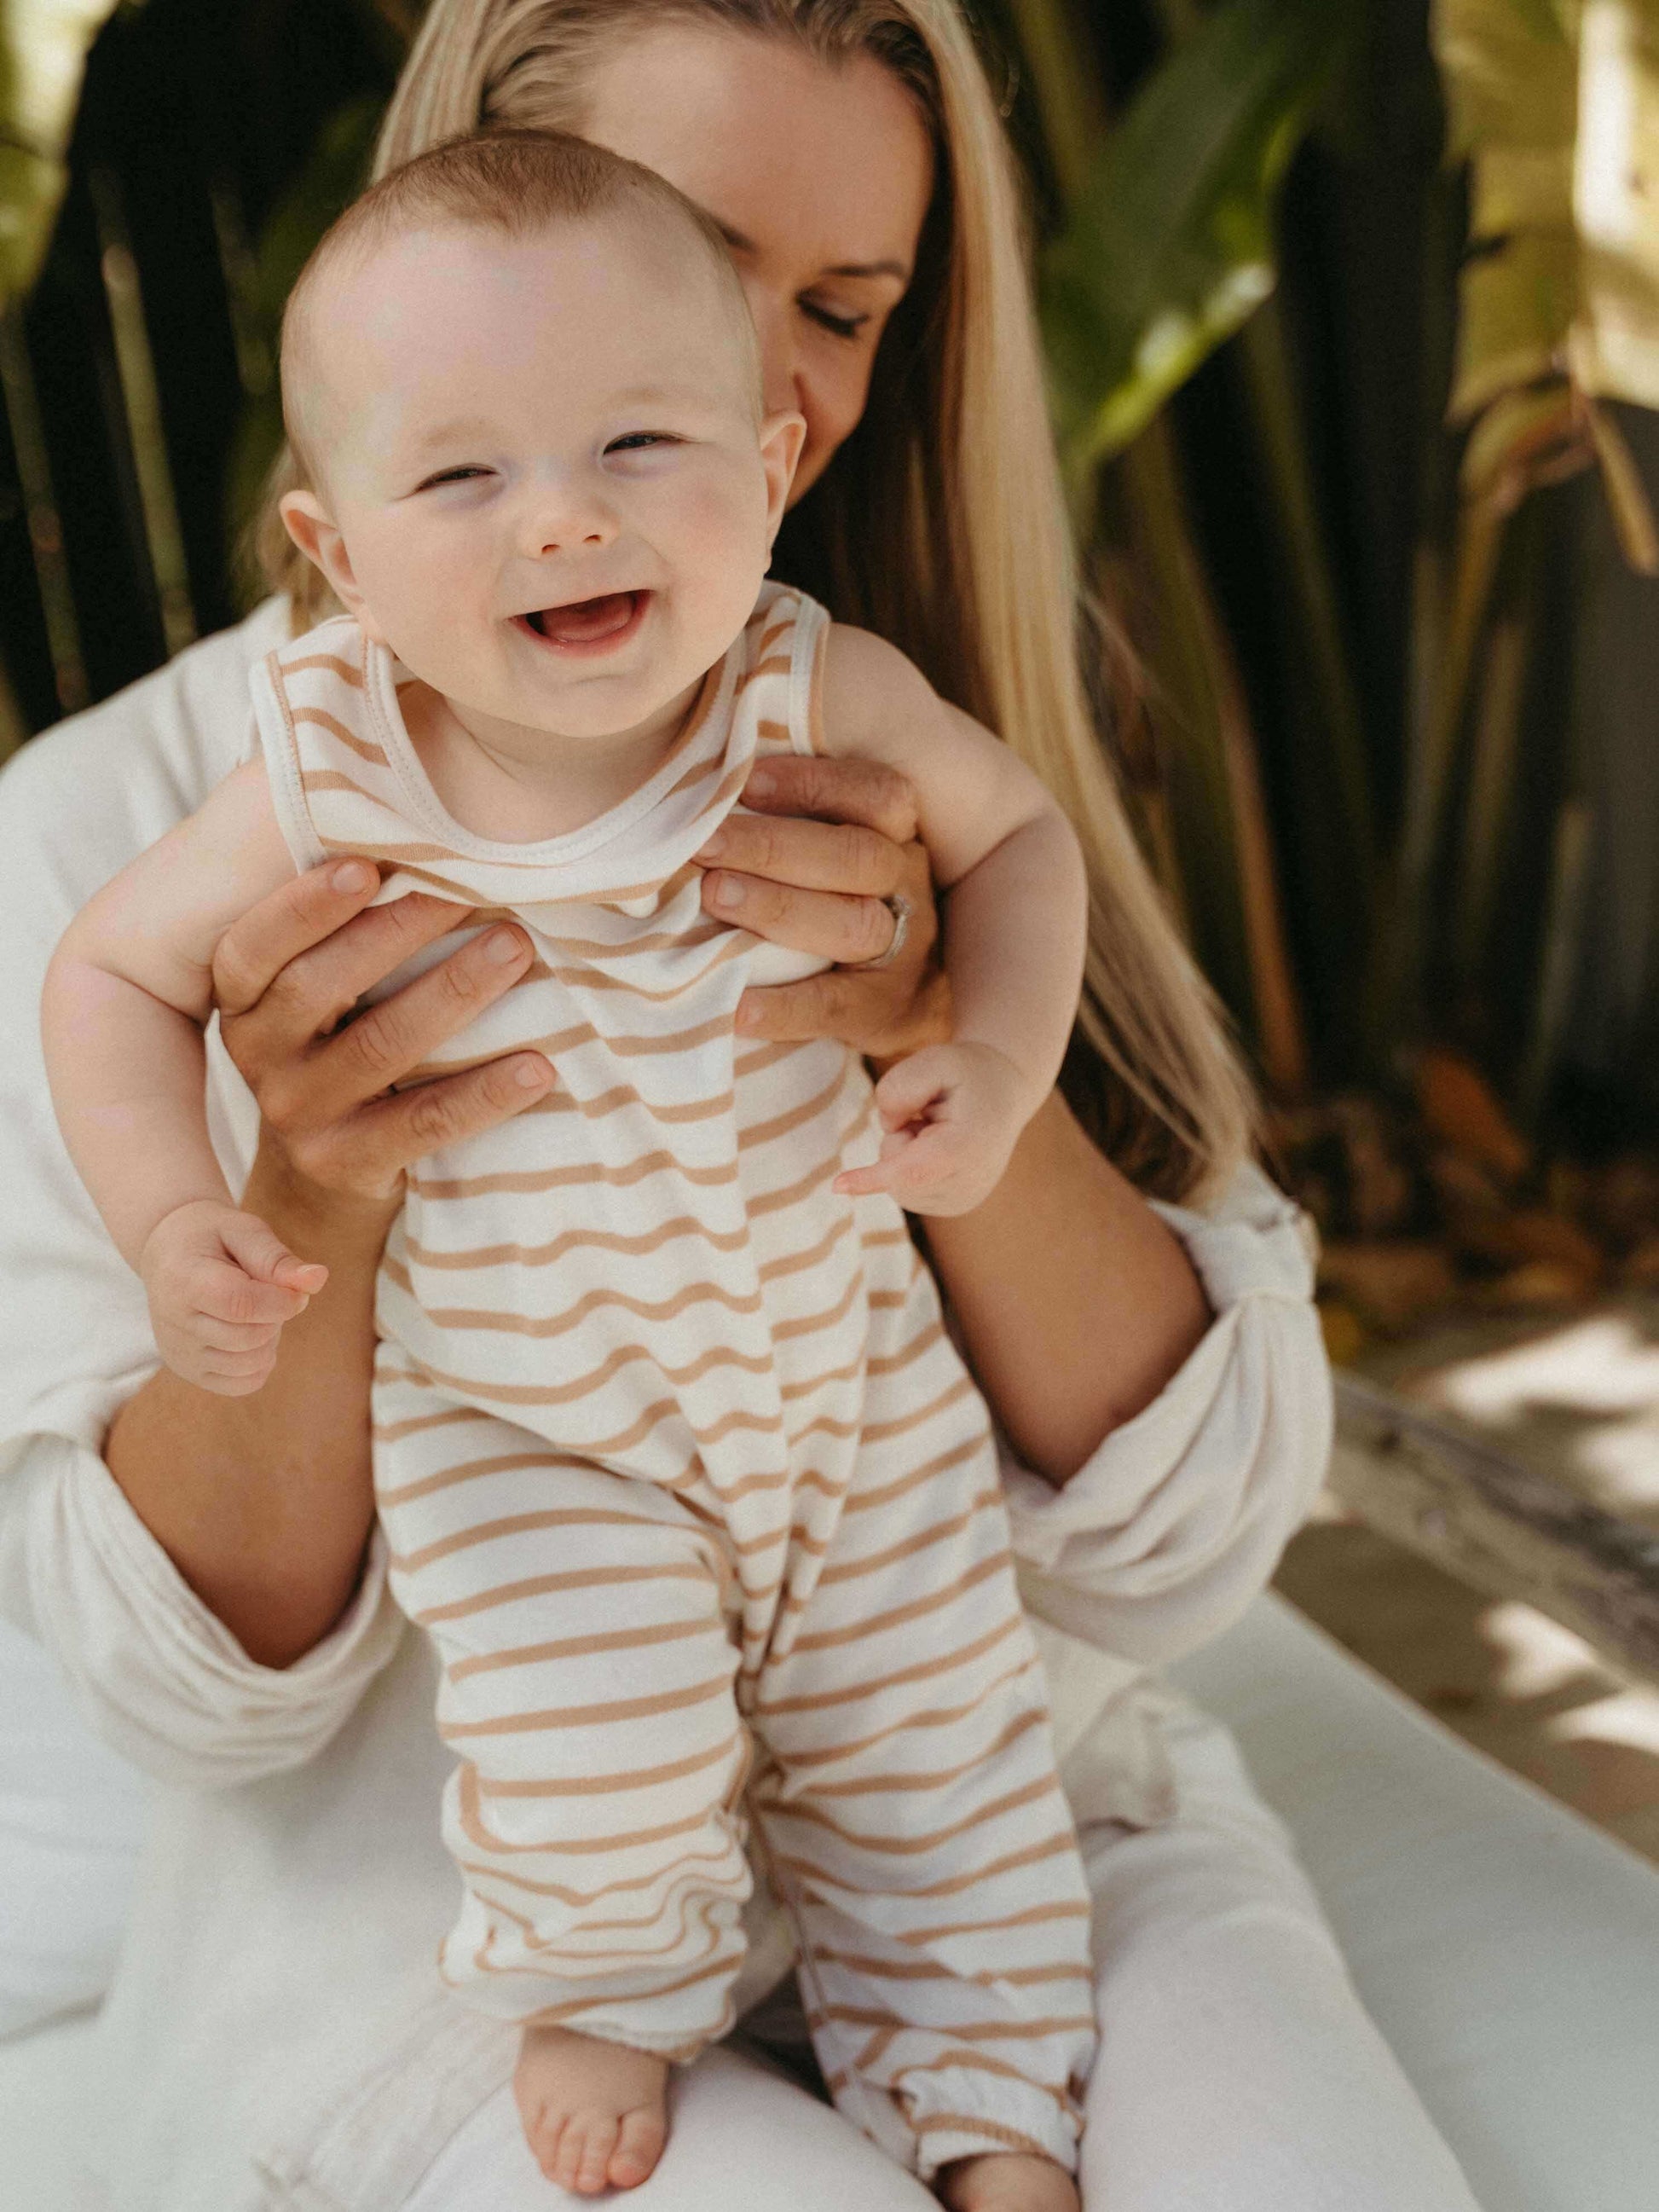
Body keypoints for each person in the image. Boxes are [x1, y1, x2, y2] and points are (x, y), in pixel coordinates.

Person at [0, 3, 1485, 2208]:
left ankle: (977, 2101)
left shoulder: (865, 699)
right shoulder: (175, 809)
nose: (771, 382)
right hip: (456, 1938)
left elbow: (1188, 1542)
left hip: (977, 1753)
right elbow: (196, 1695)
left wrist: (937, 1038)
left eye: (842, 314)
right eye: (687, 244)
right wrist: (285, 1186)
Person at [43, 129, 1099, 2208]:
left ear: (774, 457)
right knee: (589, 1738)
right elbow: (107, 977)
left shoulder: (812, 687)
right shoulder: (332, 762)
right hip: (537, 1422)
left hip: (848, 1383)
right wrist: (188, 1215)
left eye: (638, 438)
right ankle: (613, 1978)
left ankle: (988, 2098)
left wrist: (982, 1045)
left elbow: (1022, 846)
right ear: (332, 545)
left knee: (941, 1747)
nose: (563, 516)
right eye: (460, 477)